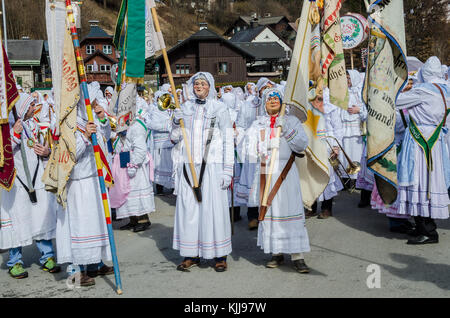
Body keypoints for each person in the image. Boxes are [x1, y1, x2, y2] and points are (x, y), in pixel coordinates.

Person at [241, 88, 310, 273]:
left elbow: (302, 144)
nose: (273, 101)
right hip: (266, 172)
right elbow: (247, 151)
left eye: (276, 98)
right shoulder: (258, 124)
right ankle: (276, 252)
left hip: (286, 173)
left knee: (291, 209)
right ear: (264, 103)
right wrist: (262, 146)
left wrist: (286, 128)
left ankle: (297, 256)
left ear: (282, 102)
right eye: (269, 98)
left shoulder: (291, 121)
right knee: (270, 213)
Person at [170, 72, 233, 272]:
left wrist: (227, 170)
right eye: (196, 83)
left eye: (202, 83)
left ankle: (219, 255)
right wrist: (174, 121)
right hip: (188, 165)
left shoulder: (220, 108)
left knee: (213, 210)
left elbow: (228, 139)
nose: (198, 86)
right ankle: (191, 254)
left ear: (209, 87)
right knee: (190, 210)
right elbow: (174, 138)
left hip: (213, 166)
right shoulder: (184, 108)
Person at [55, 88, 114, 286]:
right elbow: (68, 155)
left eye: (97, 101)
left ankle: (95, 263)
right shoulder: (68, 123)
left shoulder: (90, 119)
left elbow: (106, 137)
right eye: (93, 101)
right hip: (77, 184)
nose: (96, 104)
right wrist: (85, 138)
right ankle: (76, 271)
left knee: (95, 224)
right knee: (79, 228)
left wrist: (102, 120)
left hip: (93, 180)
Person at [0, 93, 60, 279]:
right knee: (18, 220)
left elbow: (43, 147)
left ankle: (47, 256)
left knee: (41, 217)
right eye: (32, 106)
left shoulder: (33, 124)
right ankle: (15, 261)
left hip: (36, 180)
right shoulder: (6, 128)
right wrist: (15, 134)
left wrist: (46, 152)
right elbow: (3, 153)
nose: (35, 109)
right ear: (22, 109)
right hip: (17, 185)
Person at [395, 56, 450, 245]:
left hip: (420, 142)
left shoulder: (423, 91)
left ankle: (428, 230)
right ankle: (423, 226)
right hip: (437, 140)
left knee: (420, 182)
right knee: (430, 182)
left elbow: (397, 102)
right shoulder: (446, 90)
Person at [110, 88, 155, 232]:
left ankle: (143, 219)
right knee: (126, 191)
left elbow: (140, 148)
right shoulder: (123, 126)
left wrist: (134, 164)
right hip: (124, 160)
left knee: (136, 190)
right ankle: (132, 219)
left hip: (134, 163)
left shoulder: (136, 126)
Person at [308, 87, 344, 219]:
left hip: (327, 144)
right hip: (311, 144)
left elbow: (338, 128)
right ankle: (311, 207)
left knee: (326, 176)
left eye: (320, 97)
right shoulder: (309, 109)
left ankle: (326, 208)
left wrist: (336, 146)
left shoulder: (332, 109)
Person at [340, 70, 367, 188]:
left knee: (356, 155)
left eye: (349, 78)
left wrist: (359, 110)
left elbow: (367, 111)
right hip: (344, 129)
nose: (347, 81)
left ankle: (356, 179)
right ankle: (346, 178)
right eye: (346, 78)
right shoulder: (343, 93)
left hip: (356, 130)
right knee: (345, 155)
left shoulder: (361, 93)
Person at [148, 90, 175, 194]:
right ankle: (159, 188)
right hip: (160, 143)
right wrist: (168, 126)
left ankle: (172, 186)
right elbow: (151, 125)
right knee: (160, 165)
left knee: (172, 165)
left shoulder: (171, 109)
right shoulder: (154, 110)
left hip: (171, 142)